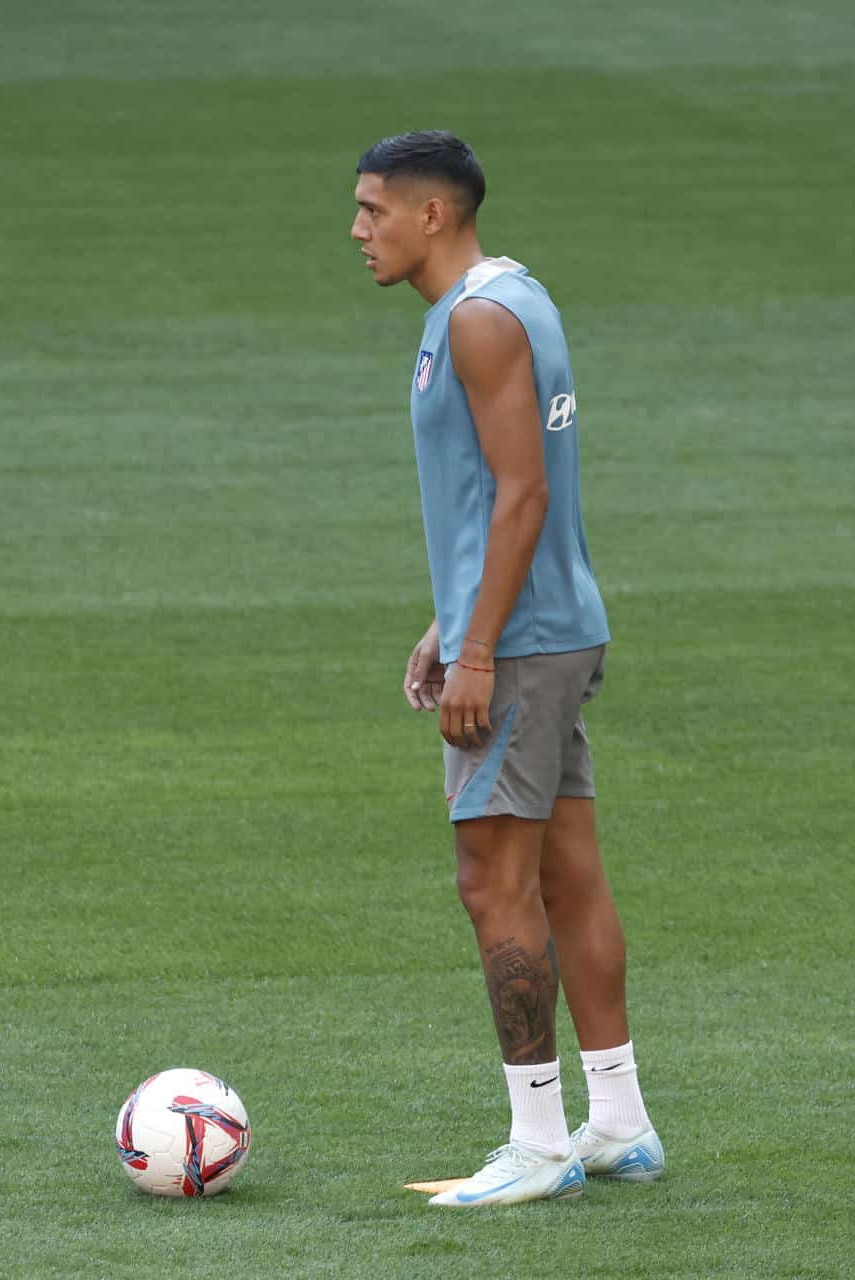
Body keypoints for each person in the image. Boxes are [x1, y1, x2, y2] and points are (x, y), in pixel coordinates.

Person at [350, 130, 663, 1207]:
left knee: (493, 882)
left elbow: (521, 489)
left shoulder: (476, 321)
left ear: (433, 213)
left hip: (523, 645)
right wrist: (454, 619)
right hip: (552, 623)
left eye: (373, 209)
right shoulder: (515, 295)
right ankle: (617, 1117)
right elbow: (508, 491)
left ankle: (537, 1139)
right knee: (568, 872)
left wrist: (478, 643)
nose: (358, 230)